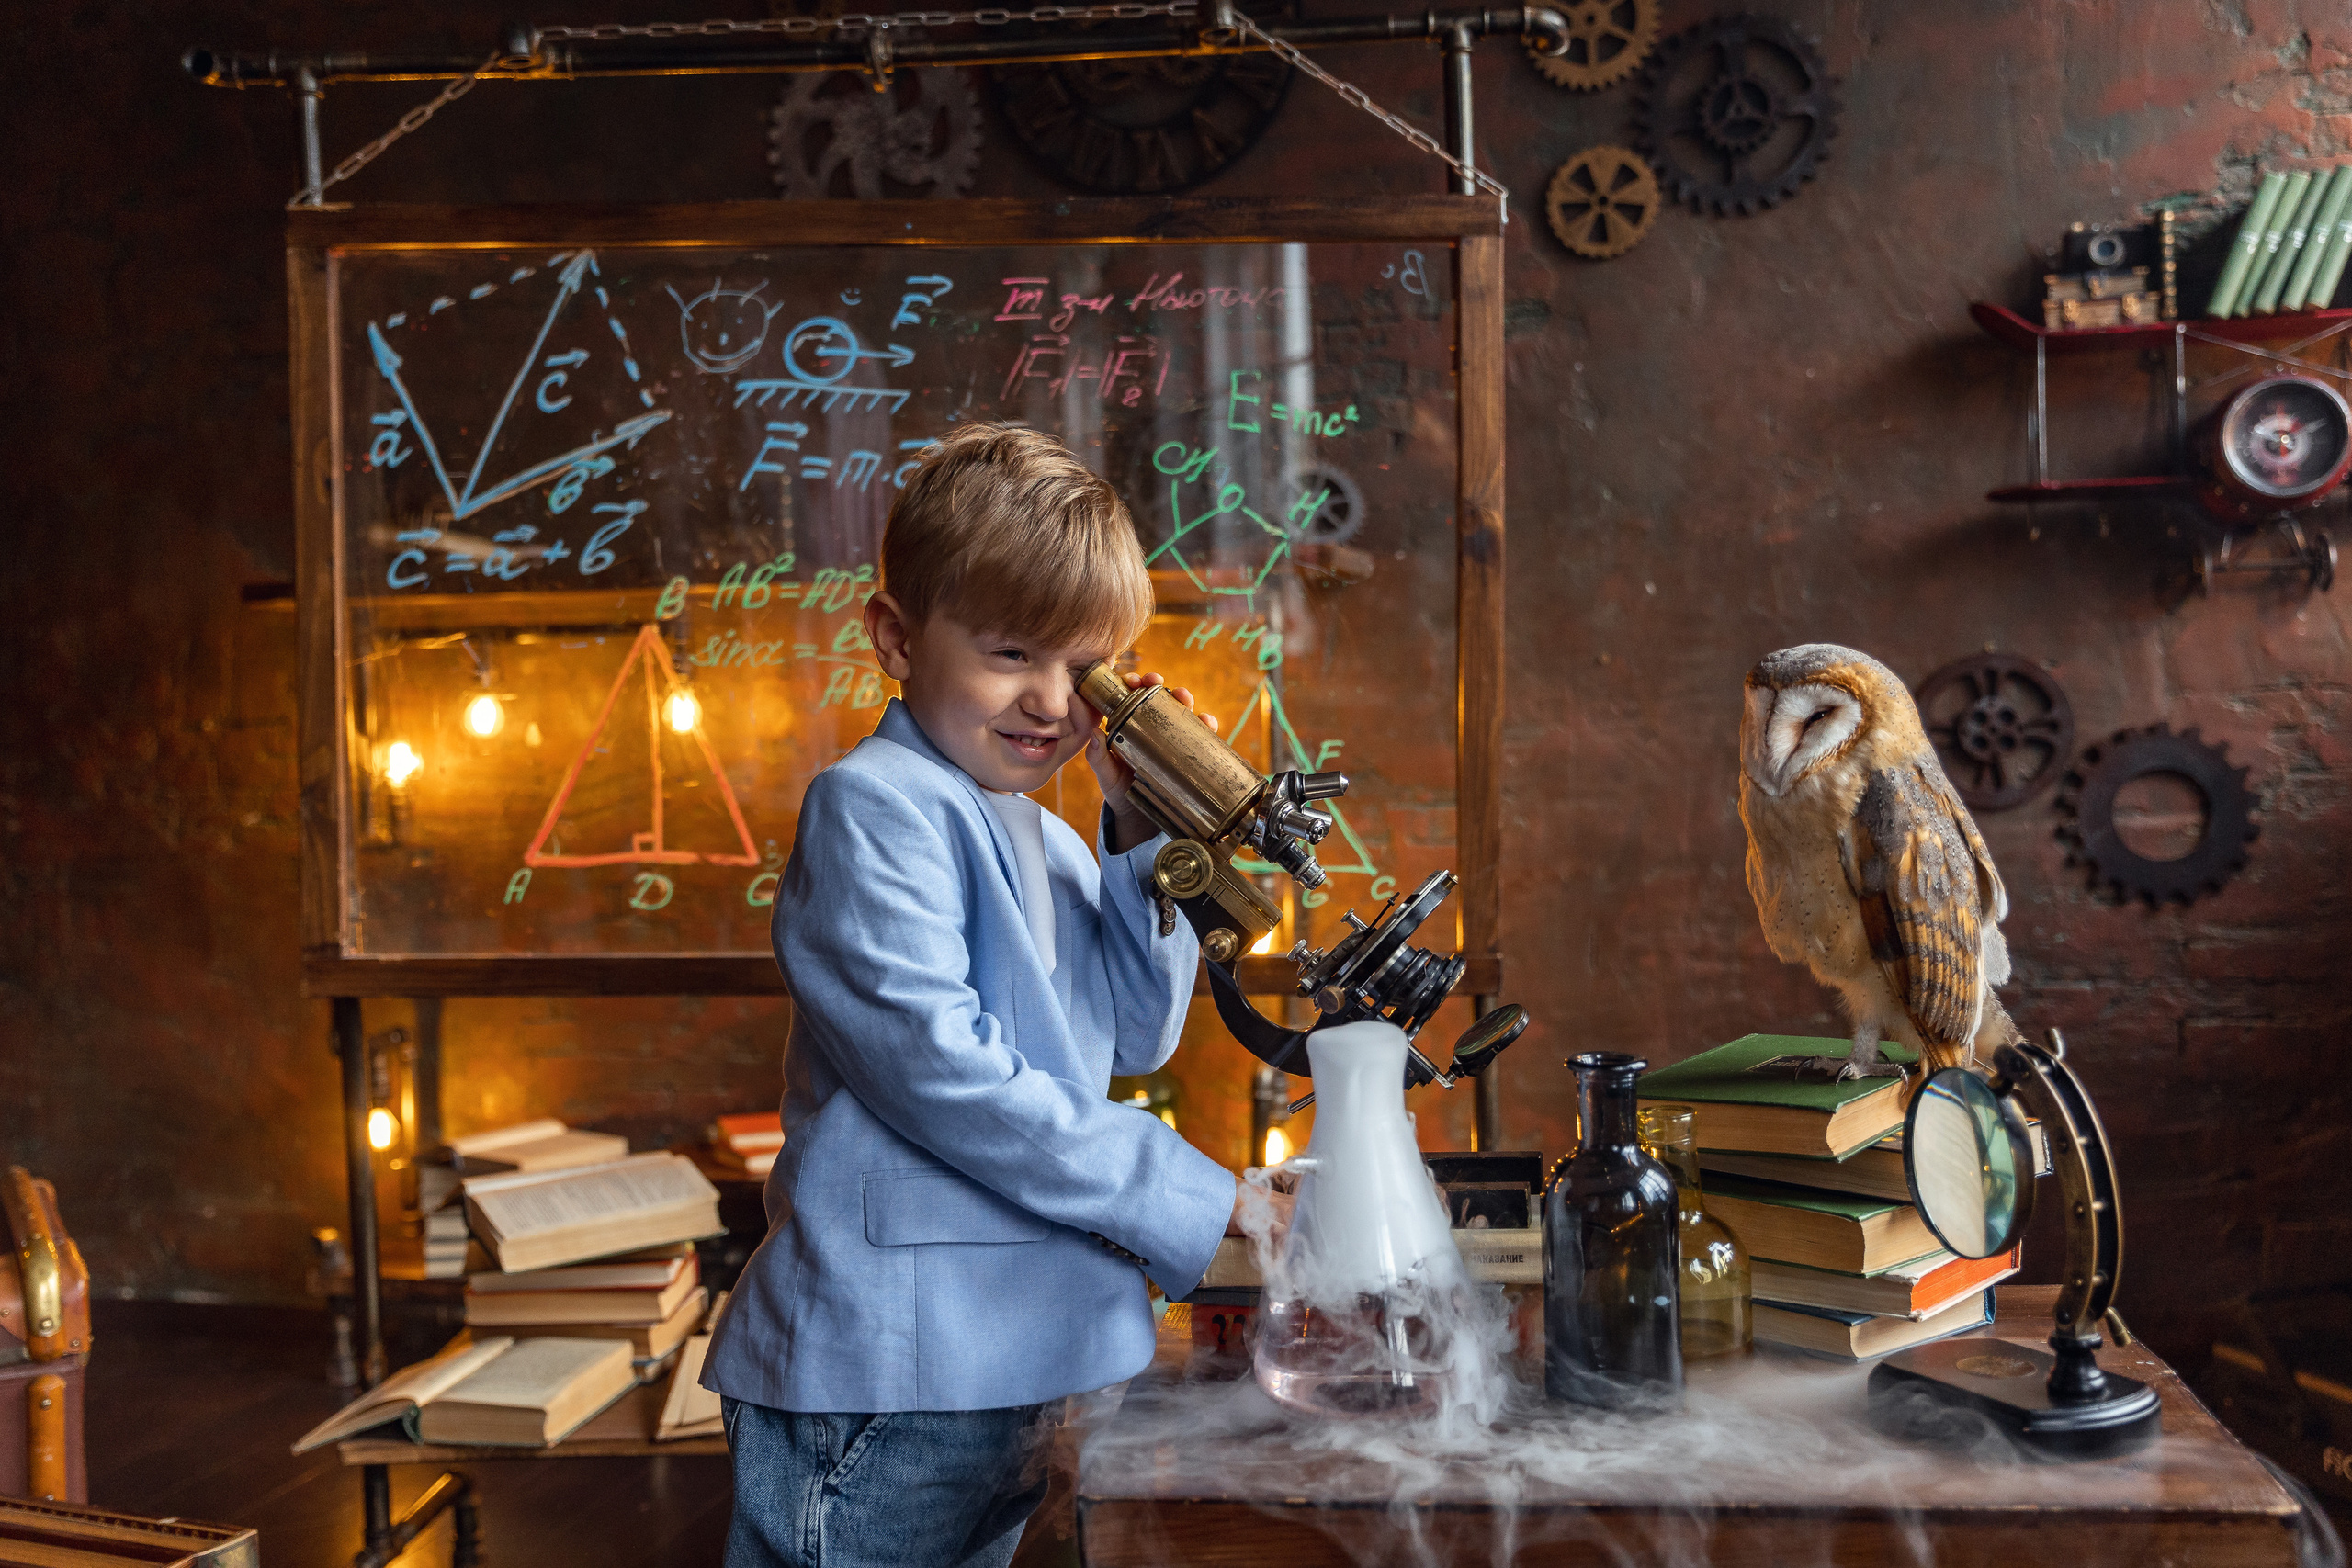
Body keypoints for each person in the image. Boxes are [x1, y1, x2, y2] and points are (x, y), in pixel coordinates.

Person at [703, 422, 1257, 1568]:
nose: (1052, 703)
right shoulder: (877, 805)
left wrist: (1144, 827)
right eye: (1013, 653)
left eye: (1085, 667)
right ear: (897, 638)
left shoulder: (1050, 839)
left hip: (1010, 1358)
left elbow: (1141, 1039)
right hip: (891, 1372)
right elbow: (943, 1074)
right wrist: (1206, 1203)